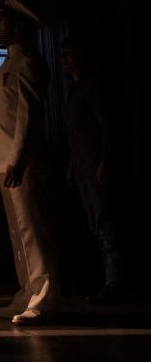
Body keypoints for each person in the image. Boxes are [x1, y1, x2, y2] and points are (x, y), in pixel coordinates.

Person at [0, 0, 59, 324]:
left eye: (3, 21)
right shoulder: (11, 62)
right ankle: (26, 291)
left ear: (18, 25)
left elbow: (28, 117)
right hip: (6, 159)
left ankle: (44, 296)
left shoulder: (28, 62)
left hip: (23, 161)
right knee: (18, 232)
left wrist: (16, 159)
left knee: (33, 230)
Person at [61, 33, 124, 303]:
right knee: (94, 222)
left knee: (104, 221)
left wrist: (103, 161)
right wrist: (73, 164)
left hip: (94, 163)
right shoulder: (73, 89)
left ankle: (115, 280)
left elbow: (106, 127)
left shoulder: (92, 87)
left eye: (69, 54)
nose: (64, 60)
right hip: (83, 164)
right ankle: (108, 278)